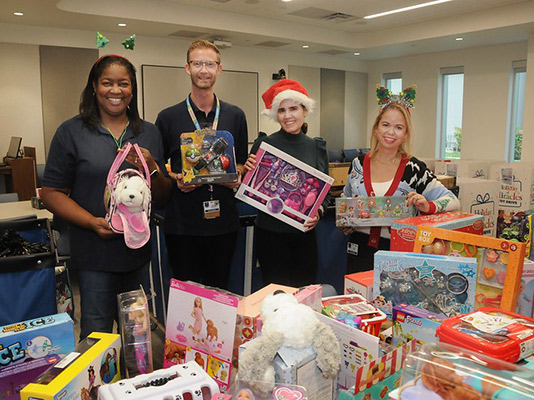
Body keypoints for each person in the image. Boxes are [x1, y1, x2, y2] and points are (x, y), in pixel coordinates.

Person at [41, 55, 171, 340]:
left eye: (123, 84)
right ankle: (100, 387)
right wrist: (92, 222)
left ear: (132, 90)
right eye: (107, 83)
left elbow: (160, 197)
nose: (115, 90)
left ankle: (134, 386)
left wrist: (152, 168)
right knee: (96, 337)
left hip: (137, 254)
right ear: (94, 87)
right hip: (93, 254)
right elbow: (51, 193)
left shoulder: (149, 132)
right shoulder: (71, 132)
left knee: (137, 338)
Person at [156, 40, 248, 290]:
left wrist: (236, 175)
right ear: (187, 68)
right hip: (183, 223)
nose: (203, 70)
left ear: (219, 69)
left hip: (224, 222)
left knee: (219, 290)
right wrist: (174, 177)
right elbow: (159, 166)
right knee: (186, 292)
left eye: (210, 63)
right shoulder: (168, 117)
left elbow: (241, 162)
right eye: (197, 63)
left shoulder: (235, 115)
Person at [343, 86, 459, 273]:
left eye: (399, 128)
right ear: (376, 128)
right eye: (386, 125)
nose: (390, 132)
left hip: (398, 251)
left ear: (405, 134)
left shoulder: (414, 168)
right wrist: (346, 222)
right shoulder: (357, 164)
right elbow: (346, 198)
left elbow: (453, 200)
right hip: (359, 250)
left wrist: (427, 205)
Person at [244, 79, 329, 287]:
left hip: (305, 237)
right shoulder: (264, 145)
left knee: (304, 296)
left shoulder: (316, 147)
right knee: (276, 296)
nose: (288, 115)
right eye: (282, 110)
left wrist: (319, 213)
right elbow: (247, 190)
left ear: (304, 110)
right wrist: (245, 173)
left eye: (293, 108)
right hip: (271, 236)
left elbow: (324, 193)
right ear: (276, 114)